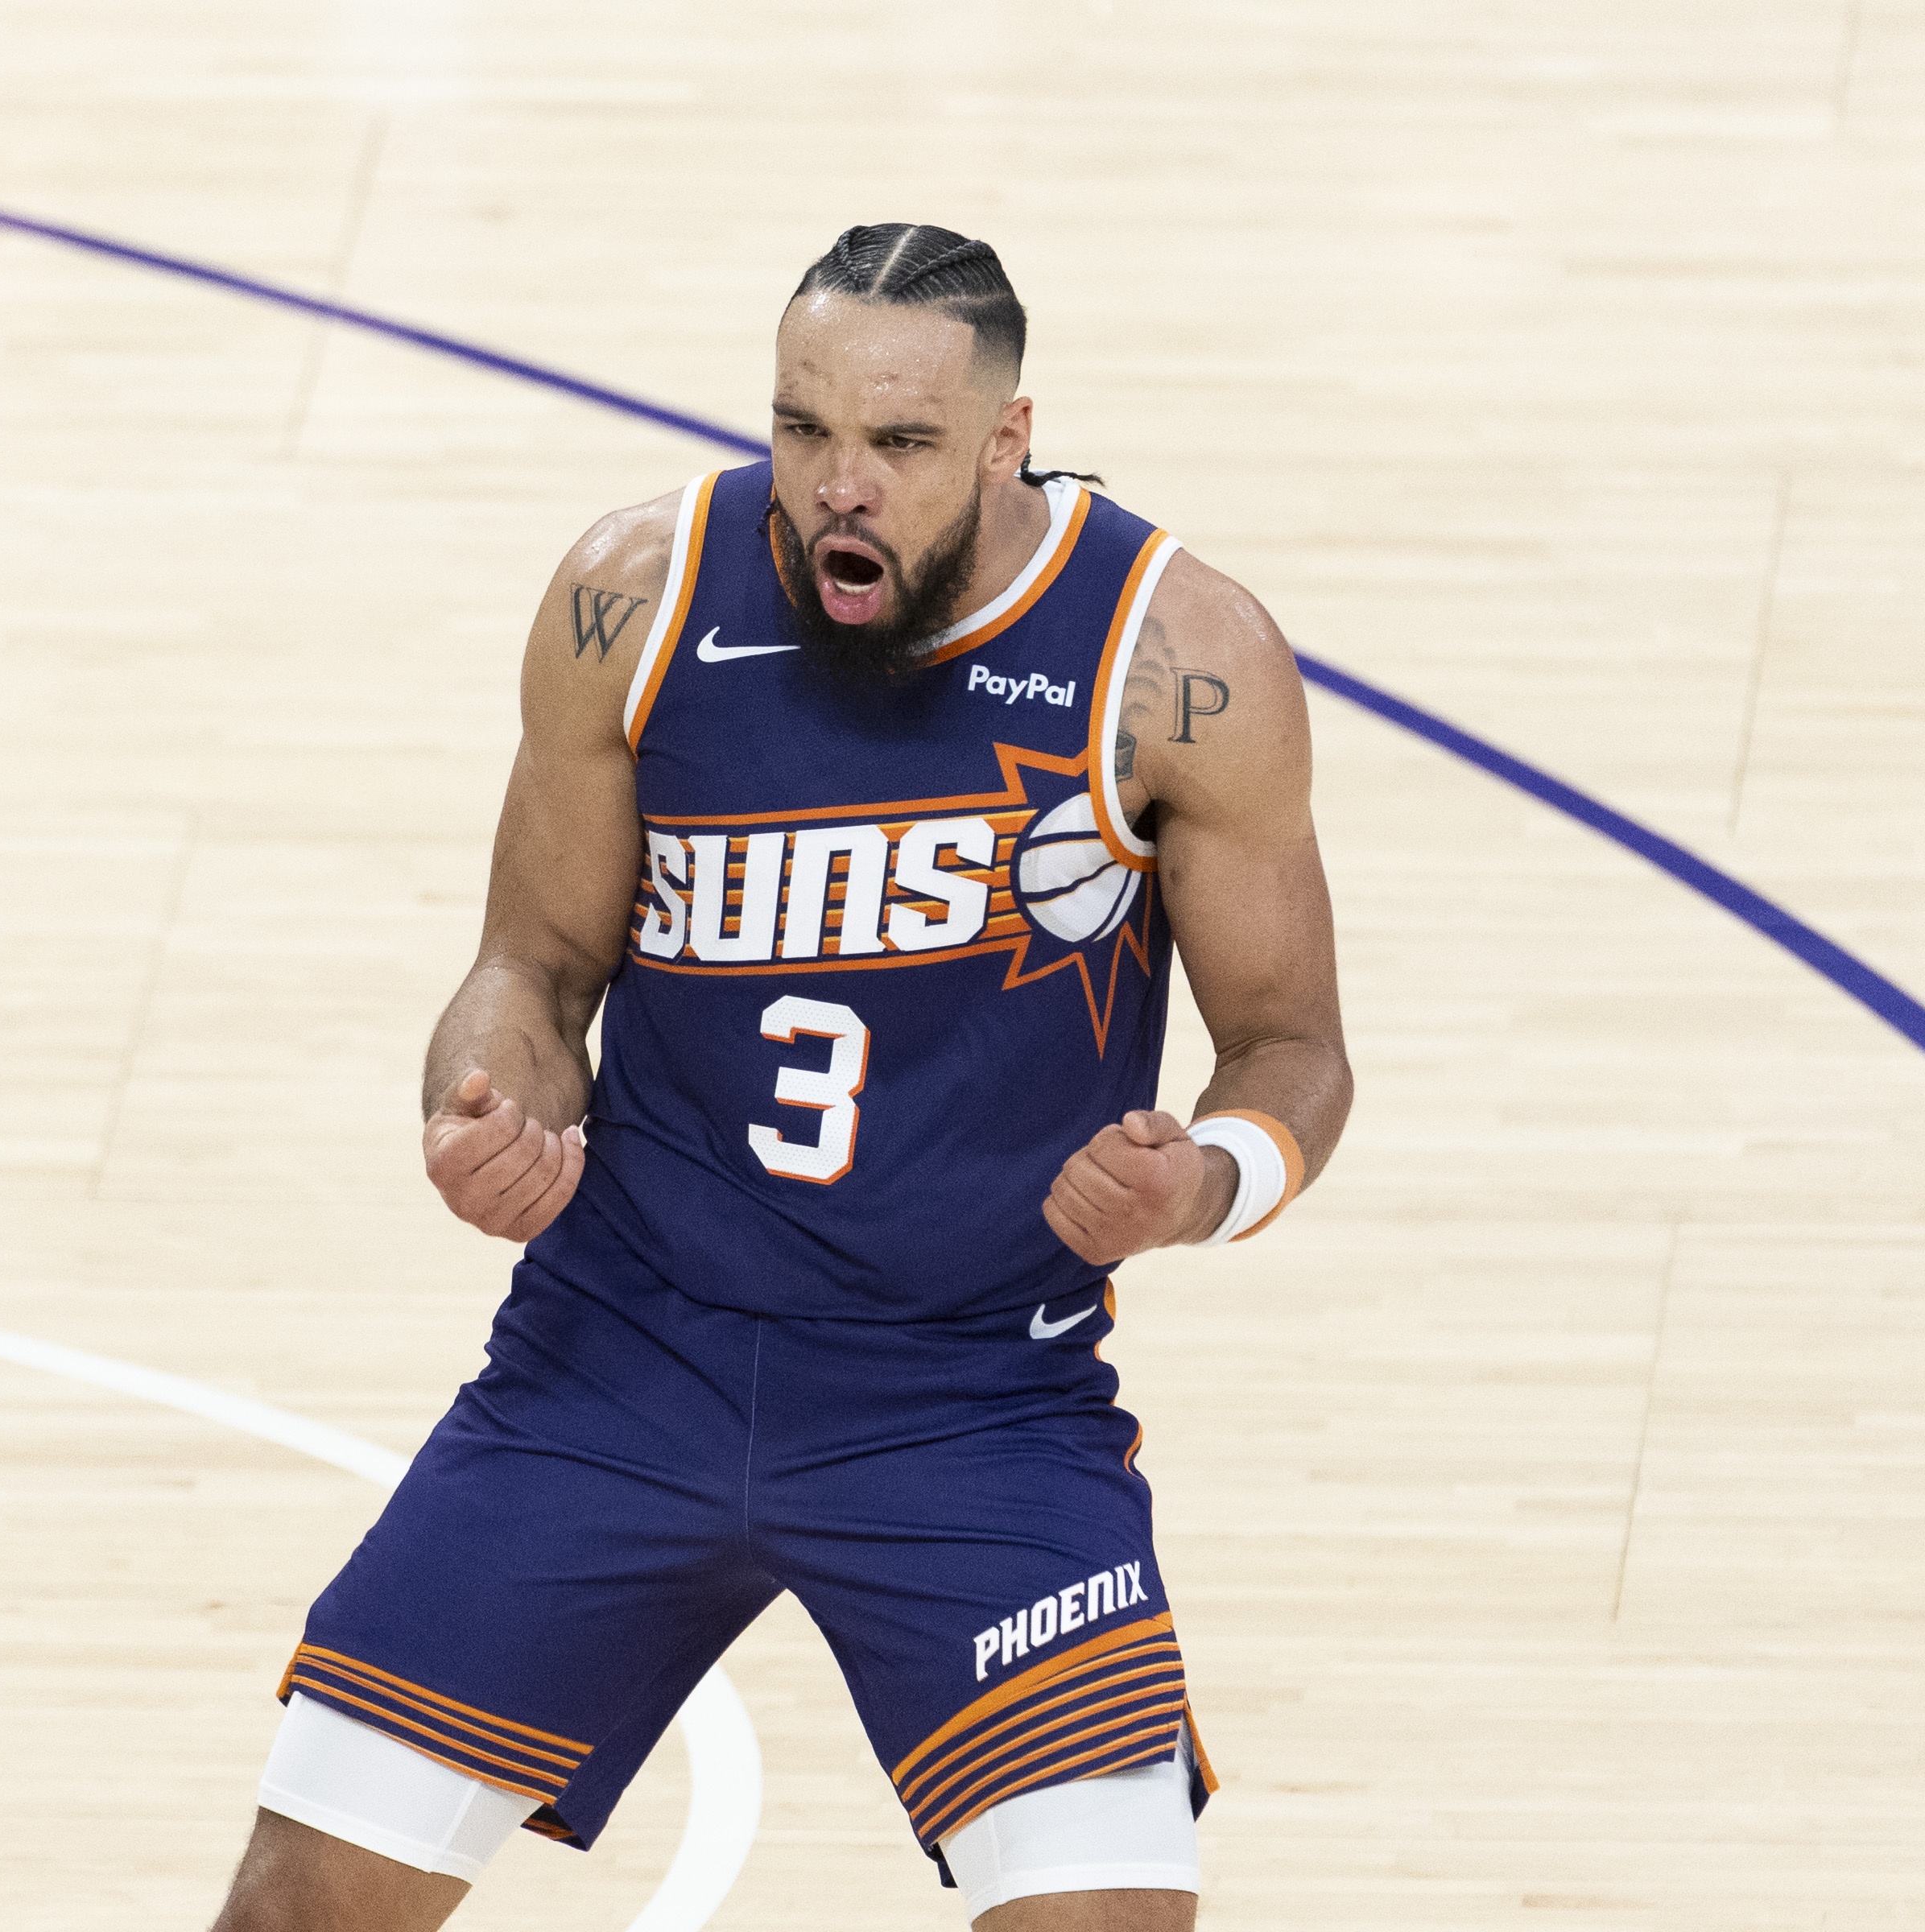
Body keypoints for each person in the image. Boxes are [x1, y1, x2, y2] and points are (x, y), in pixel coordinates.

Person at [211, 222, 1350, 1932]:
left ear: (1007, 438)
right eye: (801, 429)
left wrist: (1205, 1183)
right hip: (620, 1362)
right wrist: (484, 1106)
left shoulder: (1174, 657)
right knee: (299, 1909)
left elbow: (1293, 1051)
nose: (839, 488)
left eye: (898, 443)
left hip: (972, 1398)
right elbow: (533, 968)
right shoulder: (635, 597)